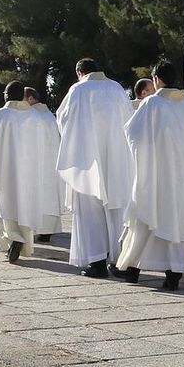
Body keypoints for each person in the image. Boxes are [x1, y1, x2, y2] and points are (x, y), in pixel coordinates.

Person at [116, 60, 184, 290]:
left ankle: (132, 268)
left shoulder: (152, 103)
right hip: (182, 176)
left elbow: (132, 134)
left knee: (146, 217)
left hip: (157, 174)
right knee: (176, 222)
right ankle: (173, 272)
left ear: (156, 79)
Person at [55, 59, 134, 277]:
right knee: (117, 210)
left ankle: (96, 262)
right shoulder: (117, 88)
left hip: (87, 160)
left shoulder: (78, 89)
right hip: (116, 158)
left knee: (90, 211)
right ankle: (121, 262)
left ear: (79, 72)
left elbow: (63, 120)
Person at [0, 81, 63, 263]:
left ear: (6, 95)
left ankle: (13, 238)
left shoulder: (0, 115)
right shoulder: (36, 117)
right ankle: (23, 240)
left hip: (6, 170)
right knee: (24, 204)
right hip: (29, 172)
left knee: (2, 203)